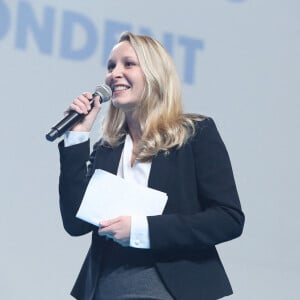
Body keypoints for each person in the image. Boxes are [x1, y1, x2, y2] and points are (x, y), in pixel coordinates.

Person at [58, 31, 245, 300]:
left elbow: (228, 219)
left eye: (128, 64)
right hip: (105, 287)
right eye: (111, 66)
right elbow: (76, 224)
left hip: (168, 287)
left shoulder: (195, 134)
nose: (114, 74)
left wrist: (142, 230)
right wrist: (76, 137)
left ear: (155, 74)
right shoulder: (107, 149)